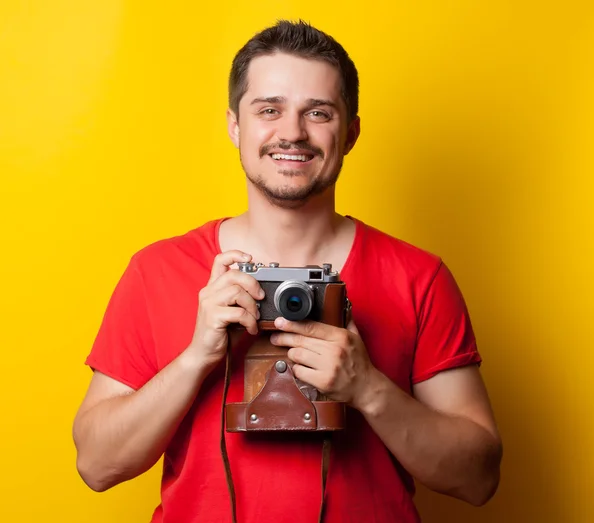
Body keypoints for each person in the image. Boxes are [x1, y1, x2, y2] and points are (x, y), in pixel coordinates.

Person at [72, 19, 502, 523]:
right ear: (236, 124)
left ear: (352, 131)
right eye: (269, 110)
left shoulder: (418, 277)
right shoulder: (157, 271)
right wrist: (194, 360)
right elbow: (97, 466)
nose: (292, 132)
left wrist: (367, 387)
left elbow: (479, 479)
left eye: (317, 112)